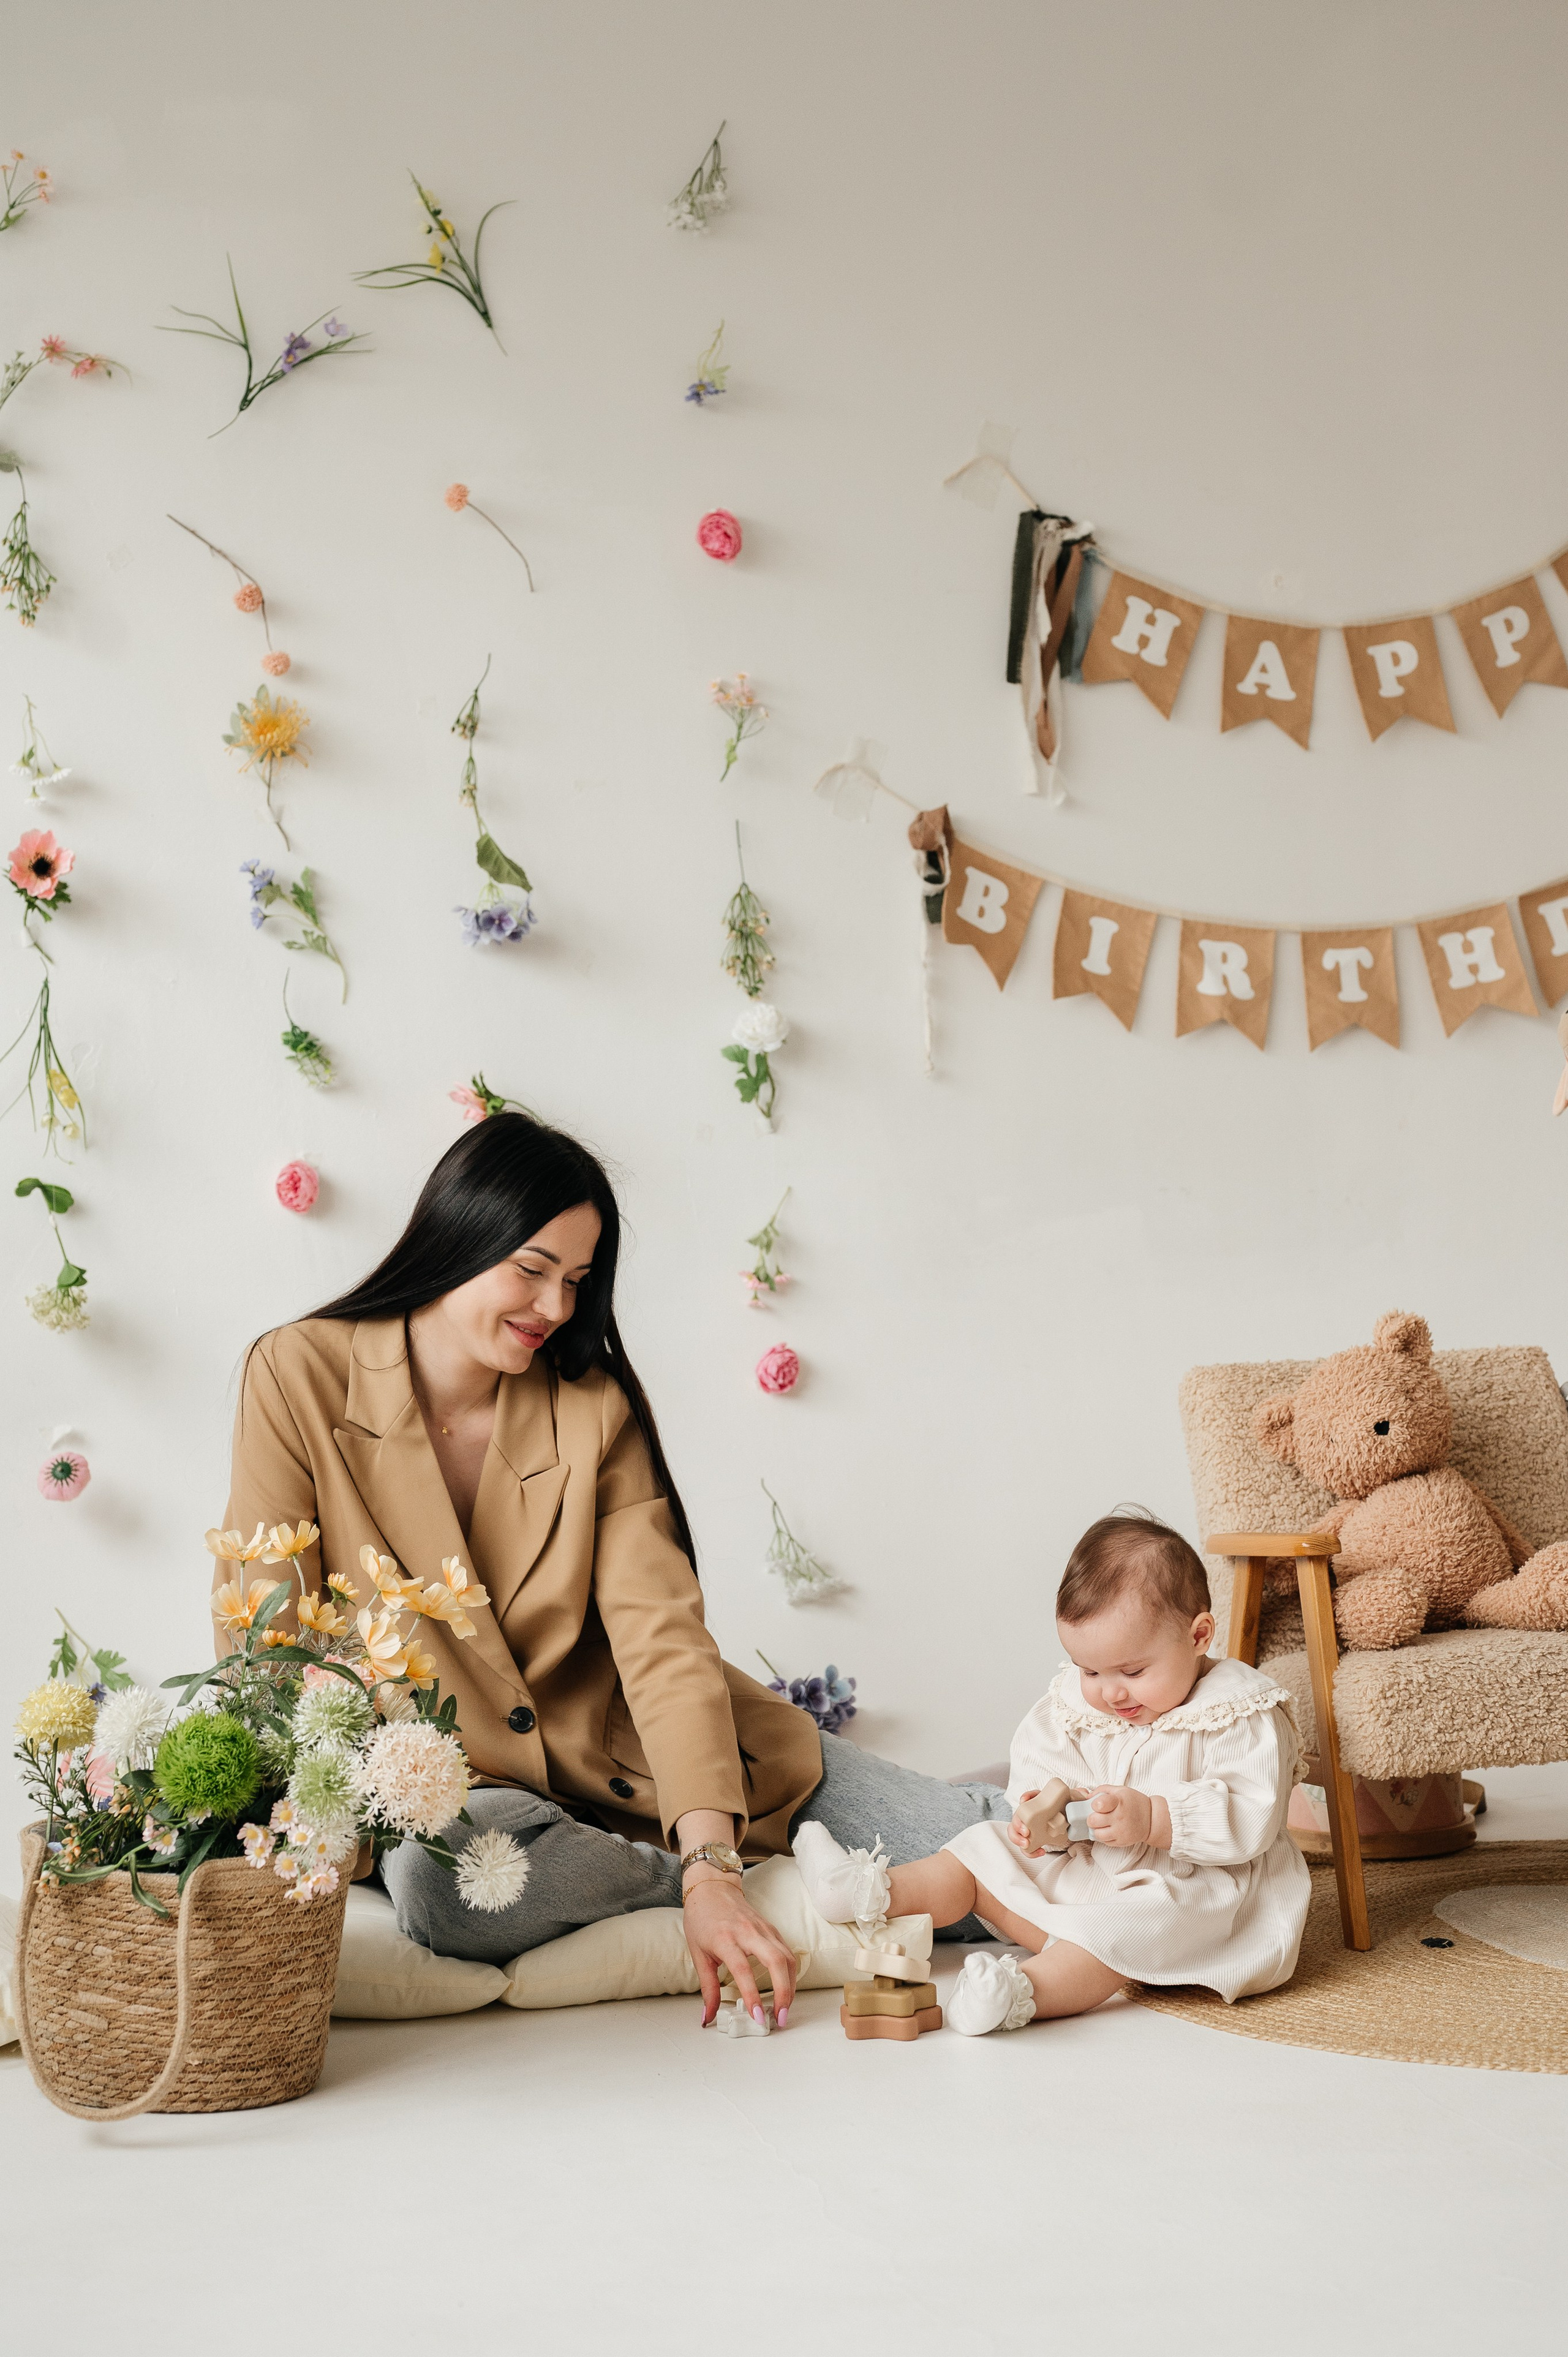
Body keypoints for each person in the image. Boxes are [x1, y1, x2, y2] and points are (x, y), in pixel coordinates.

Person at [220, 1109, 1012, 2031]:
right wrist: (705, 1886)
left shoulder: (590, 1407)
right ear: (458, 1233)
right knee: (449, 1892)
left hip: (665, 1765)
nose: (555, 1309)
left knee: (1007, 1859)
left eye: (577, 1281)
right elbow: (263, 1637)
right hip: (453, 1796)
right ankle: (755, 1887)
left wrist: (714, 1850)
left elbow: (661, 1635)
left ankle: (1123, 1770)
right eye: (532, 1270)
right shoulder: (297, 1375)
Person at [796, 1511, 1311, 2034]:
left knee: (1121, 1929)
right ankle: (866, 1891)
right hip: (1093, 1870)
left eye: (1133, 1672)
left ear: (1199, 1635)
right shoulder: (1075, 1707)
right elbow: (1040, 1774)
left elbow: (1254, 1817)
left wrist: (1156, 1818)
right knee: (983, 1844)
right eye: (1090, 1670)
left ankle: (1018, 1993)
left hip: (1192, 1898)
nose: (1110, 1692)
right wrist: (1041, 1817)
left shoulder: (1239, 1712)